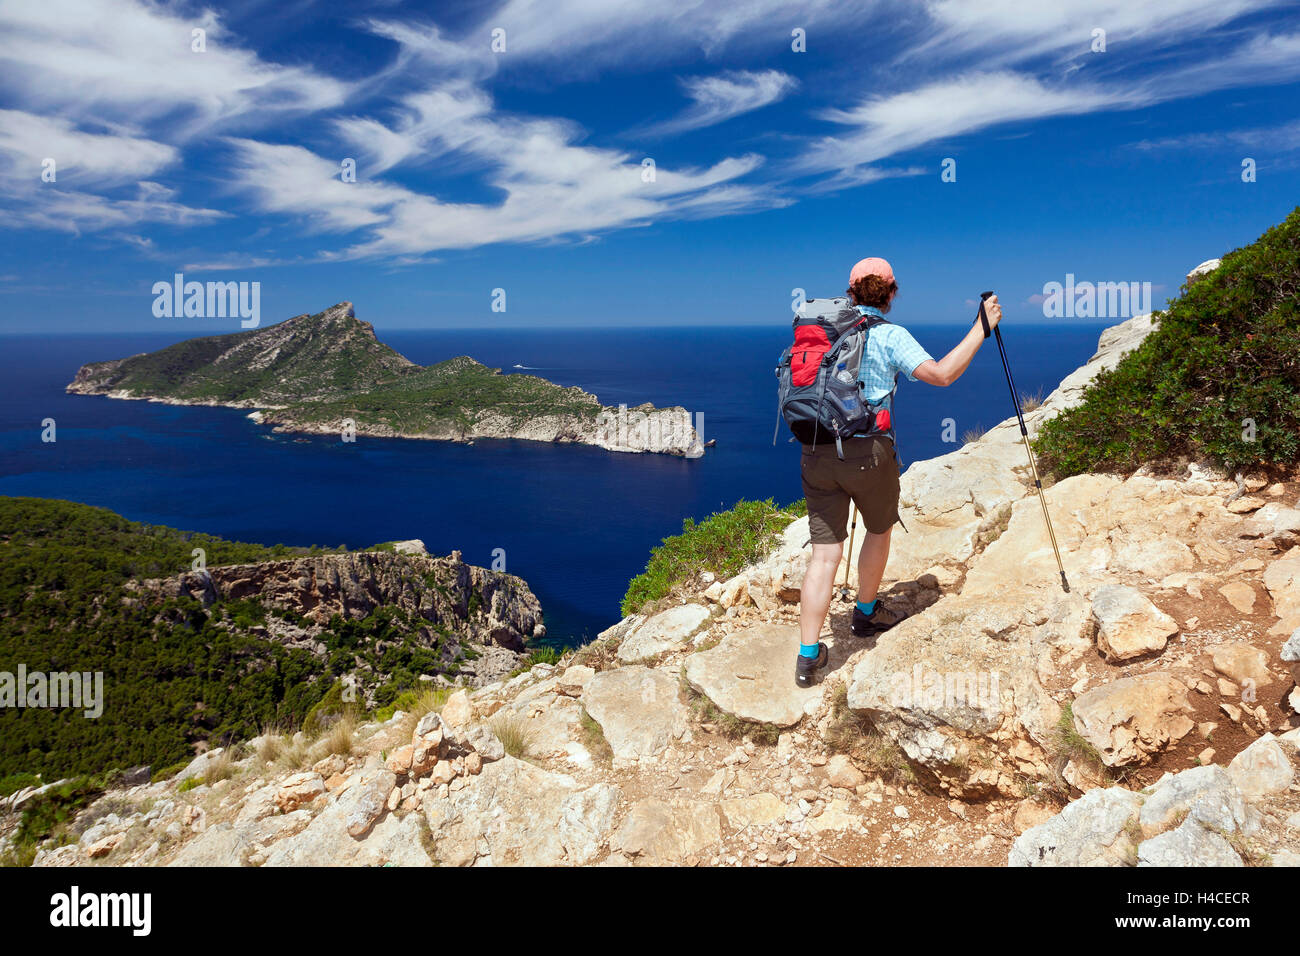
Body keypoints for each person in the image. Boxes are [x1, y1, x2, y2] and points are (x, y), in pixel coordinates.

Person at [795, 257, 1002, 687]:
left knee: (825, 555)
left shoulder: (823, 334)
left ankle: (807, 657)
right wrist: (981, 328)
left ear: (850, 293)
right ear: (891, 294)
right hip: (868, 452)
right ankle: (866, 615)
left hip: (816, 451)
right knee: (878, 530)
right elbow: (942, 375)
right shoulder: (889, 335)